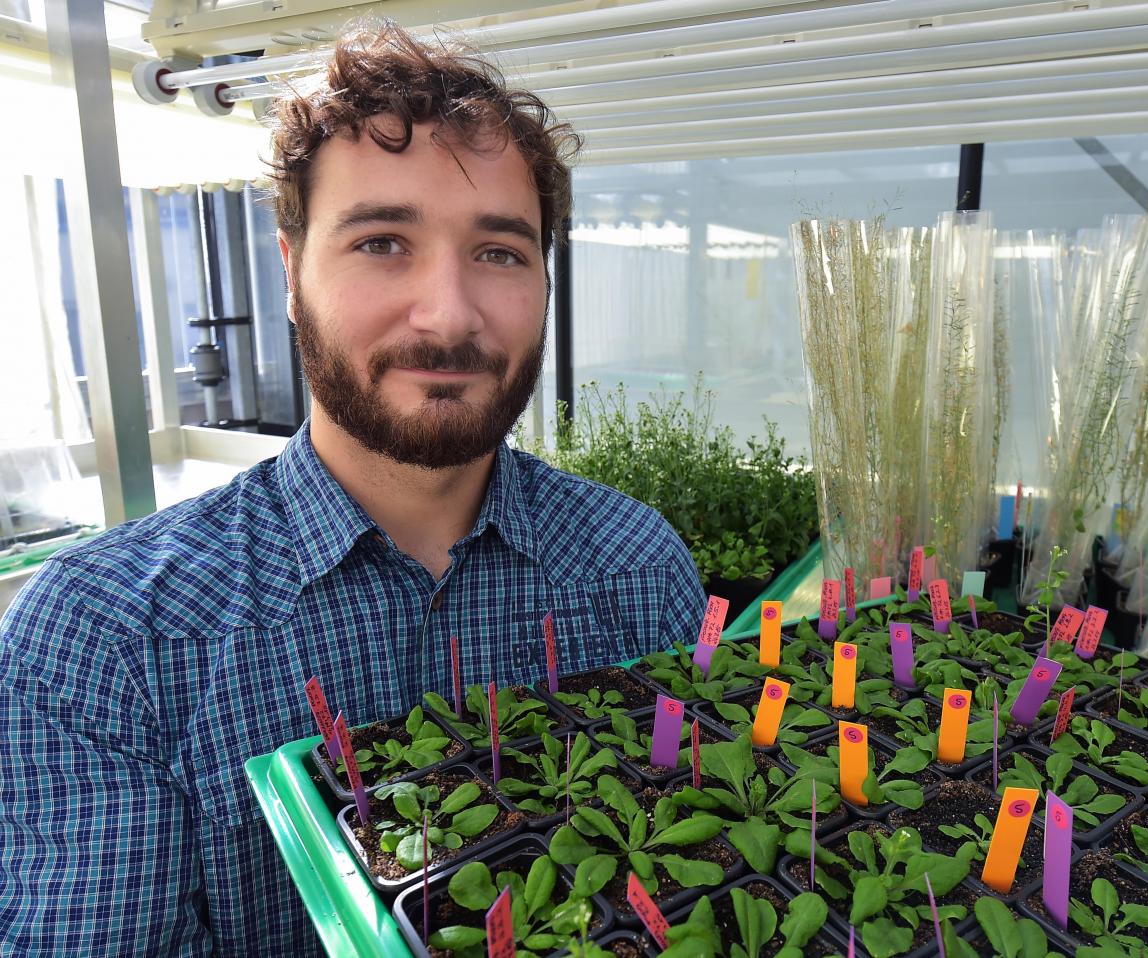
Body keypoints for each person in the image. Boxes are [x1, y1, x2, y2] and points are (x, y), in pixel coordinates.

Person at [0, 20, 705, 955]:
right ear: (292, 273)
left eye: (500, 252)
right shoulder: (107, 641)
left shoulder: (634, 567)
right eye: (381, 242)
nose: (449, 313)